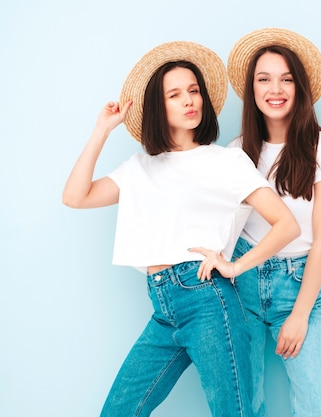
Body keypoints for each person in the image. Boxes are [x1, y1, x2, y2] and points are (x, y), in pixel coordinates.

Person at [62, 40, 300, 417]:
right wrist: (101, 130)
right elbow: (75, 197)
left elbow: (286, 224)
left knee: (233, 413)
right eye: (175, 94)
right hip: (163, 306)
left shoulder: (226, 162)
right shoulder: (139, 167)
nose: (189, 100)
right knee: (119, 411)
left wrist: (235, 266)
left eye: (194, 91)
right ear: (160, 107)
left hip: (208, 299)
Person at [226, 28, 321, 417]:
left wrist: (299, 314)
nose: (274, 89)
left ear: (299, 88)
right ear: (252, 89)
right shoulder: (235, 152)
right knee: (244, 406)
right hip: (240, 282)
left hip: (295, 285)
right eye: (264, 79)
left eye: (286, 79)